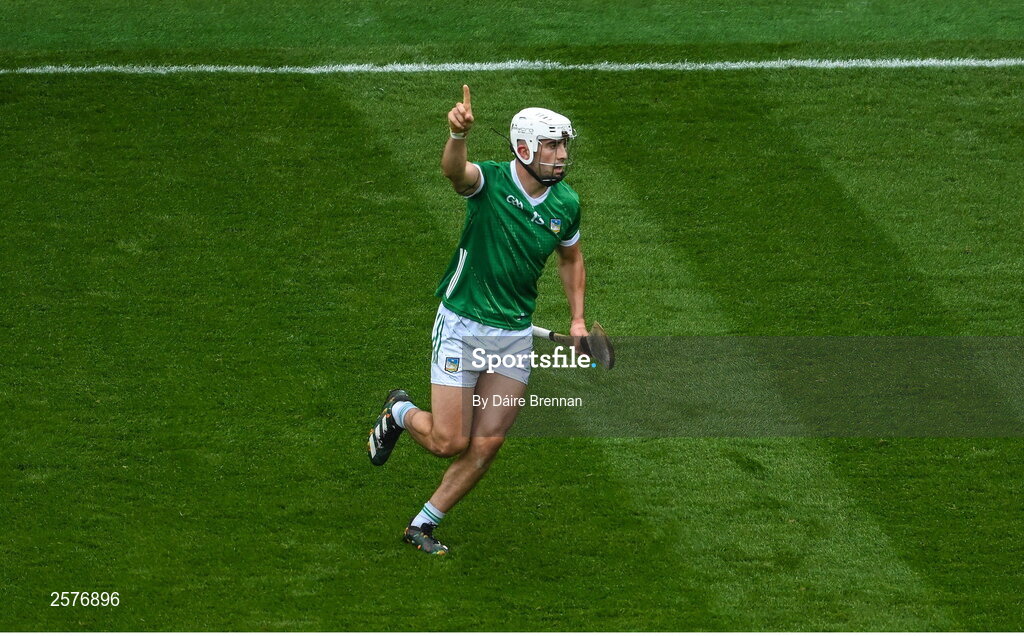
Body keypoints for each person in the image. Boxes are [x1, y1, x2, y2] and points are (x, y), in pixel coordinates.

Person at [367, 85, 587, 555]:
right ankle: (400, 412)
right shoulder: (490, 182)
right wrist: (456, 134)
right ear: (525, 147)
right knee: (449, 441)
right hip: (463, 324)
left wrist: (577, 321)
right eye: (551, 145)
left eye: (563, 144)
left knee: (486, 445)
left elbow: (571, 259)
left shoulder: (566, 204)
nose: (560, 154)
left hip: (512, 334)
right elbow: (455, 172)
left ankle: (421, 526)